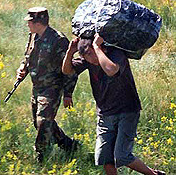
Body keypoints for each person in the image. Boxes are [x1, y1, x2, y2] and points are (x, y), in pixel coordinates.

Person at [62, 34, 166, 175]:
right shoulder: (89, 59)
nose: (91, 60)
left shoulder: (116, 54)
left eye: (90, 54)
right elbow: (67, 70)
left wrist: (97, 48)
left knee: (122, 156)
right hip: (105, 113)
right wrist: (70, 52)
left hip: (127, 110)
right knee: (105, 159)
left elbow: (111, 70)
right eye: (86, 57)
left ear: (102, 48)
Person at [16, 7, 78, 163]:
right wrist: (22, 69)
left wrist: (68, 93)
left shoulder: (58, 40)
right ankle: (69, 145)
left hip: (52, 88)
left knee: (43, 122)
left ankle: (41, 158)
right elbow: (27, 57)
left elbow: (69, 69)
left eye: (30, 22)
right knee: (40, 123)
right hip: (37, 87)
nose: (27, 25)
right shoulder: (33, 36)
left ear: (38, 23)